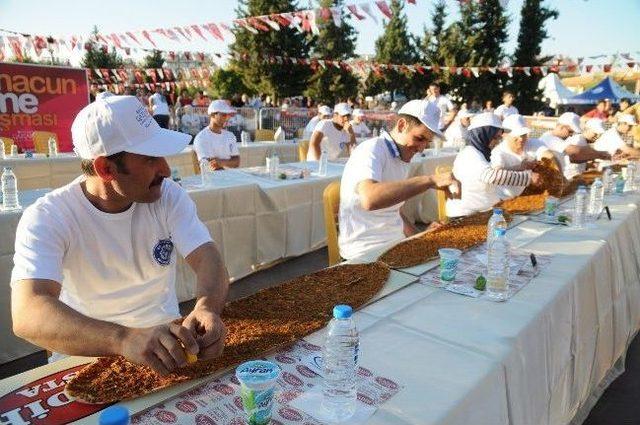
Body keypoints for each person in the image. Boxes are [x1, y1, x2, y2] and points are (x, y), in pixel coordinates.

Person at [11, 95, 229, 375]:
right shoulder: (49, 216)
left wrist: (207, 307)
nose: (165, 169)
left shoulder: (167, 195)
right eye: (151, 159)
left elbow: (207, 255)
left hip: (171, 349)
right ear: (105, 168)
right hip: (85, 359)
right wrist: (122, 339)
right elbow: (28, 312)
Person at [338, 99, 455, 260]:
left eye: (427, 142)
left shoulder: (401, 158)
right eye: (419, 138)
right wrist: (429, 181)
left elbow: (395, 213)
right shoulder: (371, 149)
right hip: (363, 254)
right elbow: (369, 199)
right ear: (401, 125)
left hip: (393, 247)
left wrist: (419, 238)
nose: (421, 148)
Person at [446, 113, 541, 218]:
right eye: (495, 138)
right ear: (483, 135)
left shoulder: (480, 153)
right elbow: (492, 176)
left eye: (499, 138)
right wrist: (528, 178)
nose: (497, 142)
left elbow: (494, 171)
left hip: (482, 211)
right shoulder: (470, 154)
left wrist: (519, 167)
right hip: (466, 214)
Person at [491, 115, 553, 198]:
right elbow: (496, 175)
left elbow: (549, 156)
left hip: (533, 195)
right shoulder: (498, 152)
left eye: (523, 134)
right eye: (516, 135)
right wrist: (521, 169)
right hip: (507, 198)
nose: (521, 139)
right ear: (505, 135)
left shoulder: (534, 143)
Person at [539, 112, 611, 178]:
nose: (571, 135)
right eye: (570, 132)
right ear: (561, 126)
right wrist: (601, 154)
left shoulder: (554, 138)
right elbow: (575, 153)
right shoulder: (550, 139)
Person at [193, 100, 240, 170]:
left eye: (229, 115)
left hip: (231, 176)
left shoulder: (230, 135)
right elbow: (210, 166)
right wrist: (228, 162)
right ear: (212, 115)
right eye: (224, 115)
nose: (227, 118)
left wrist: (221, 162)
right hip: (214, 179)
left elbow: (236, 162)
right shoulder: (201, 138)